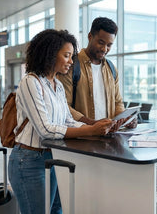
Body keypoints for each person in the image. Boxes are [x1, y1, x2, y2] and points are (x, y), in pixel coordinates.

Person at [8, 29, 115, 214]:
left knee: (58, 210)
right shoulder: (30, 82)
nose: (71, 61)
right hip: (29, 161)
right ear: (49, 55)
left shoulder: (56, 85)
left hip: (54, 156)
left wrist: (98, 126)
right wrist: (90, 131)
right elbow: (45, 130)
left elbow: (67, 120)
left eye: (72, 56)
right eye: (67, 55)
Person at [58, 17, 136, 131]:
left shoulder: (111, 68)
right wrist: (92, 124)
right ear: (90, 36)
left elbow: (117, 102)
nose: (105, 49)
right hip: (81, 137)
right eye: (101, 42)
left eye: (109, 45)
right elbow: (63, 106)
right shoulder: (71, 65)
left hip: (107, 135)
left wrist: (125, 119)